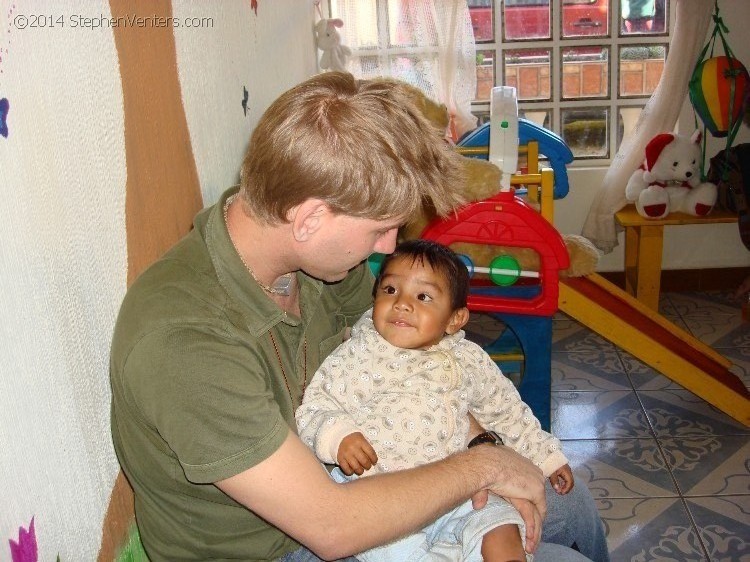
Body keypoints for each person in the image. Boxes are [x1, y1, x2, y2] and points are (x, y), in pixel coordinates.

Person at [110, 71, 608, 561]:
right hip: (288, 542)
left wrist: (478, 435)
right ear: (309, 219)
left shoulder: (312, 264)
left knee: (571, 504)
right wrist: (482, 467)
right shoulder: (183, 340)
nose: (388, 247)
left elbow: (417, 356)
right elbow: (331, 526)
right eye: (381, 230)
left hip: (364, 481)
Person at [296, 239, 577, 561]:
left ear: (455, 319)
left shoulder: (468, 358)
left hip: (458, 489)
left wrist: (546, 456)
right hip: (379, 496)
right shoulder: (361, 353)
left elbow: (505, 411)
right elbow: (316, 404)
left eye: (423, 296)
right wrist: (338, 436)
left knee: (502, 526)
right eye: (390, 290)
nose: (401, 303)